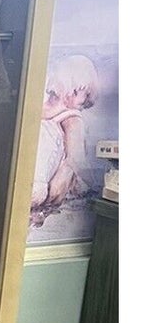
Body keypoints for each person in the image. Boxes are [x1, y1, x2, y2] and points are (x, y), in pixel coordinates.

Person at [31, 53, 98, 224]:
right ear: (73, 89)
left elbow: (73, 161)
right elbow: (77, 159)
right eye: (82, 94)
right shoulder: (71, 118)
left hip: (41, 179)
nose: (83, 101)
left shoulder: (64, 115)